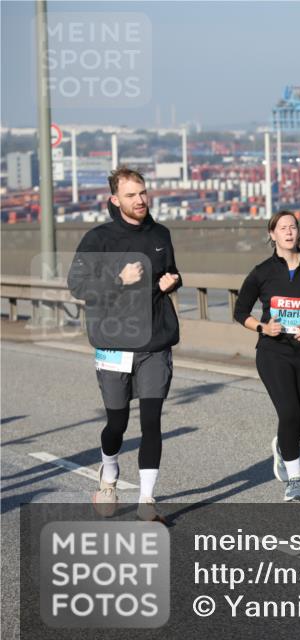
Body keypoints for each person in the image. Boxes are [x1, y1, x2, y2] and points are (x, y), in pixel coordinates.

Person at [67, 166, 181, 523]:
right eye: (131, 195)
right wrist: (118, 278)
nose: (140, 200)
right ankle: (109, 471)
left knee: (151, 421)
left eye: (143, 193)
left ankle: (148, 501)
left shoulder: (160, 234)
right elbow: (77, 286)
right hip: (115, 342)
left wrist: (173, 281)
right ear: (115, 200)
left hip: (154, 341)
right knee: (117, 423)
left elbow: (172, 271)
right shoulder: (98, 239)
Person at [233, 210, 300, 501]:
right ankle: (295, 480)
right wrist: (263, 327)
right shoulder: (262, 272)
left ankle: (283, 445)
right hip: (273, 352)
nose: (289, 232)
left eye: (293, 227)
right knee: (289, 413)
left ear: (298, 233)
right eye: (282, 228)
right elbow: (240, 311)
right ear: (272, 234)